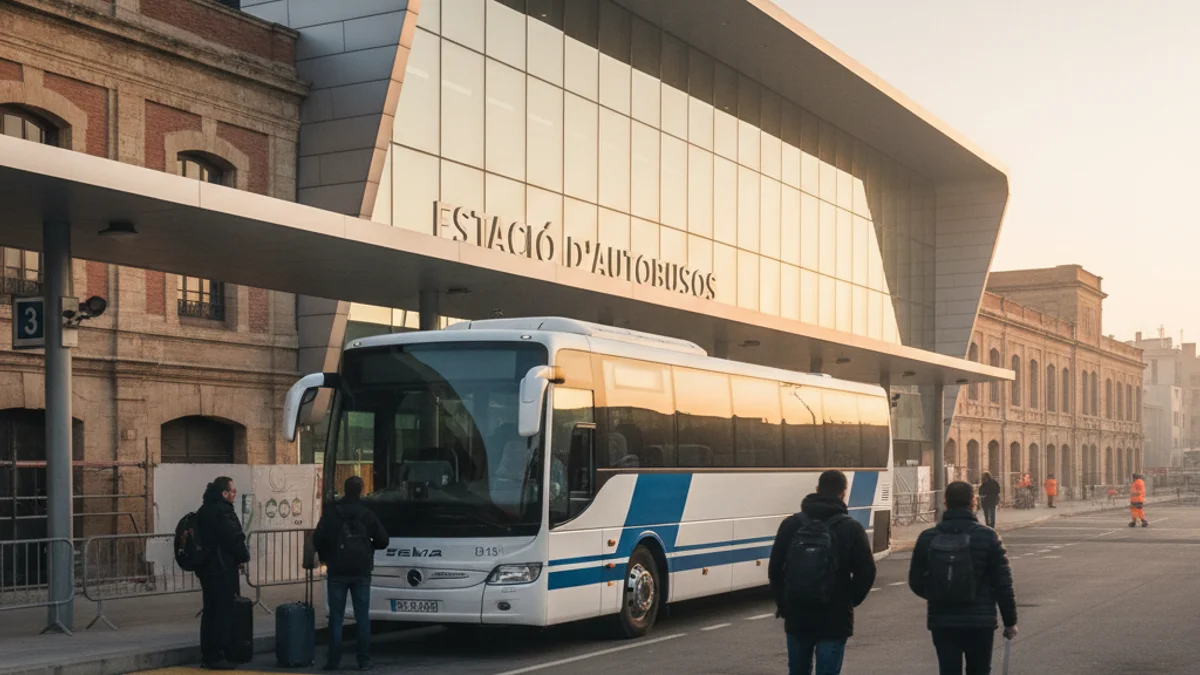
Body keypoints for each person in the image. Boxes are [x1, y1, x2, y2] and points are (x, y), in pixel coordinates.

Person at [768, 470, 877, 675]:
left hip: (798, 615)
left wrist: (785, 604)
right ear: (843, 493)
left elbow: (775, 569)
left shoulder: (790, 525)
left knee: (798, 670)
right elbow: (866, 572)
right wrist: (848, 601)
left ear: (817, 490)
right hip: (834, 617)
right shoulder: (851, 528)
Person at [908, 481, 1018, 675]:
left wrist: (939, 593)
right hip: (980, 622)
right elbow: (1003, 584)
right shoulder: (988, 537)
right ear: (973, 502)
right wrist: (1010, 621)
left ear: (945, 502)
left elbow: (915, 581)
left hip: (942, 620)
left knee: (948, 670)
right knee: (979, 669)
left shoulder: (927, 537)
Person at [313, 476, 389, 671]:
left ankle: (333, 660)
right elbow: (383, 540)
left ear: (344, 490)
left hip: (337, 571)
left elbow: (317, 538)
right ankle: (363, 660)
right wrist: (368, 545)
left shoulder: (331, 513)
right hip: (361, 572)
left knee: (336, 617)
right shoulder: (367, 514)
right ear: (361, 490)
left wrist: (327, 554)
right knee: (362, 616)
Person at [197, 476, 251, 670]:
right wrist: (244, 555)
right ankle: (217, 655)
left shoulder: (204, 510)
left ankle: (208, 653)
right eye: (233, 491)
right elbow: (234, 537)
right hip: (222, 568)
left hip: (206, 569)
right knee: (223, 612)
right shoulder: (224, 511)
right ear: (224, 493)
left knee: (210, 611)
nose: (235, 494)